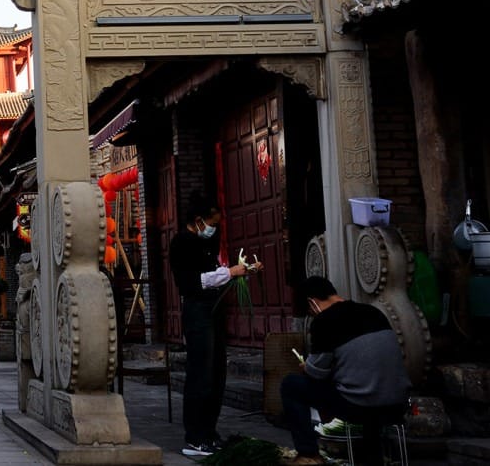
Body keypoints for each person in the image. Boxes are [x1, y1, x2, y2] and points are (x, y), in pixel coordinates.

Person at [280, 275, 411, 466]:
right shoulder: (373, 312)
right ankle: (372, 456)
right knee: (365, 384)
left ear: (312, 302)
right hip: (398, 404)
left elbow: (317, 373)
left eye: (309, 311)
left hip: (361, 406)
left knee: (291, 385)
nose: (312, 314)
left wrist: (306, 366)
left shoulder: (324, 321)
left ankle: (308, 455)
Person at [168, 193, 262, 459]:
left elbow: (216, 275)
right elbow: (193, 282)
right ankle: (195, 436)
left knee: (217, 373)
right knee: (200, 374)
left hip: (213, 310)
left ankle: (209, 432)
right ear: (198, 221)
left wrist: (243, 270)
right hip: (197, 312)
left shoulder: (205, 242)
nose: (214, 228)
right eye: (211, 223)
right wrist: (230, 272)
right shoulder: (182, 243)